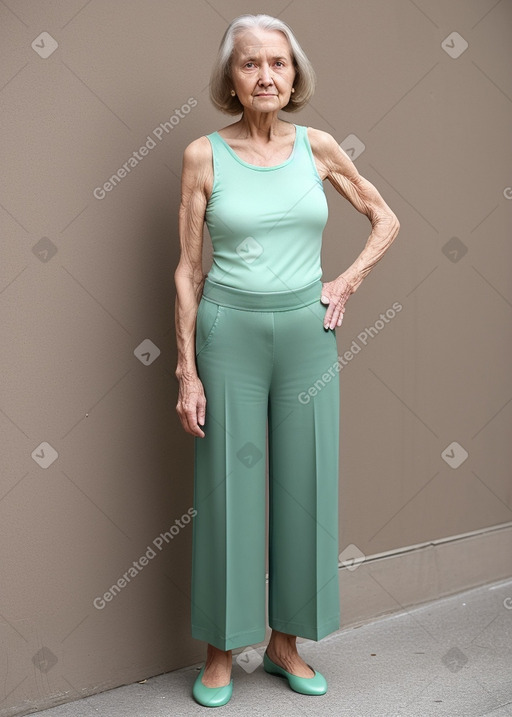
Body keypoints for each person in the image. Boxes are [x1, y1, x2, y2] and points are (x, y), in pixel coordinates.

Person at [174, 13, 400, 708]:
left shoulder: (320, 146)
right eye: (250, 64)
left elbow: (384, 217)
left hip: (308, 335)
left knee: (306, 485)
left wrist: (346, 281)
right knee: (226, 493)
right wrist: (185, 369)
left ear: (294, 74)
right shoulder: (202, 155)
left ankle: (285, 645)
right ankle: (221, 651)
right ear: (231, 79)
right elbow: (187, 268)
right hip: (229, 332)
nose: (266, 75)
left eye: (278, 63)